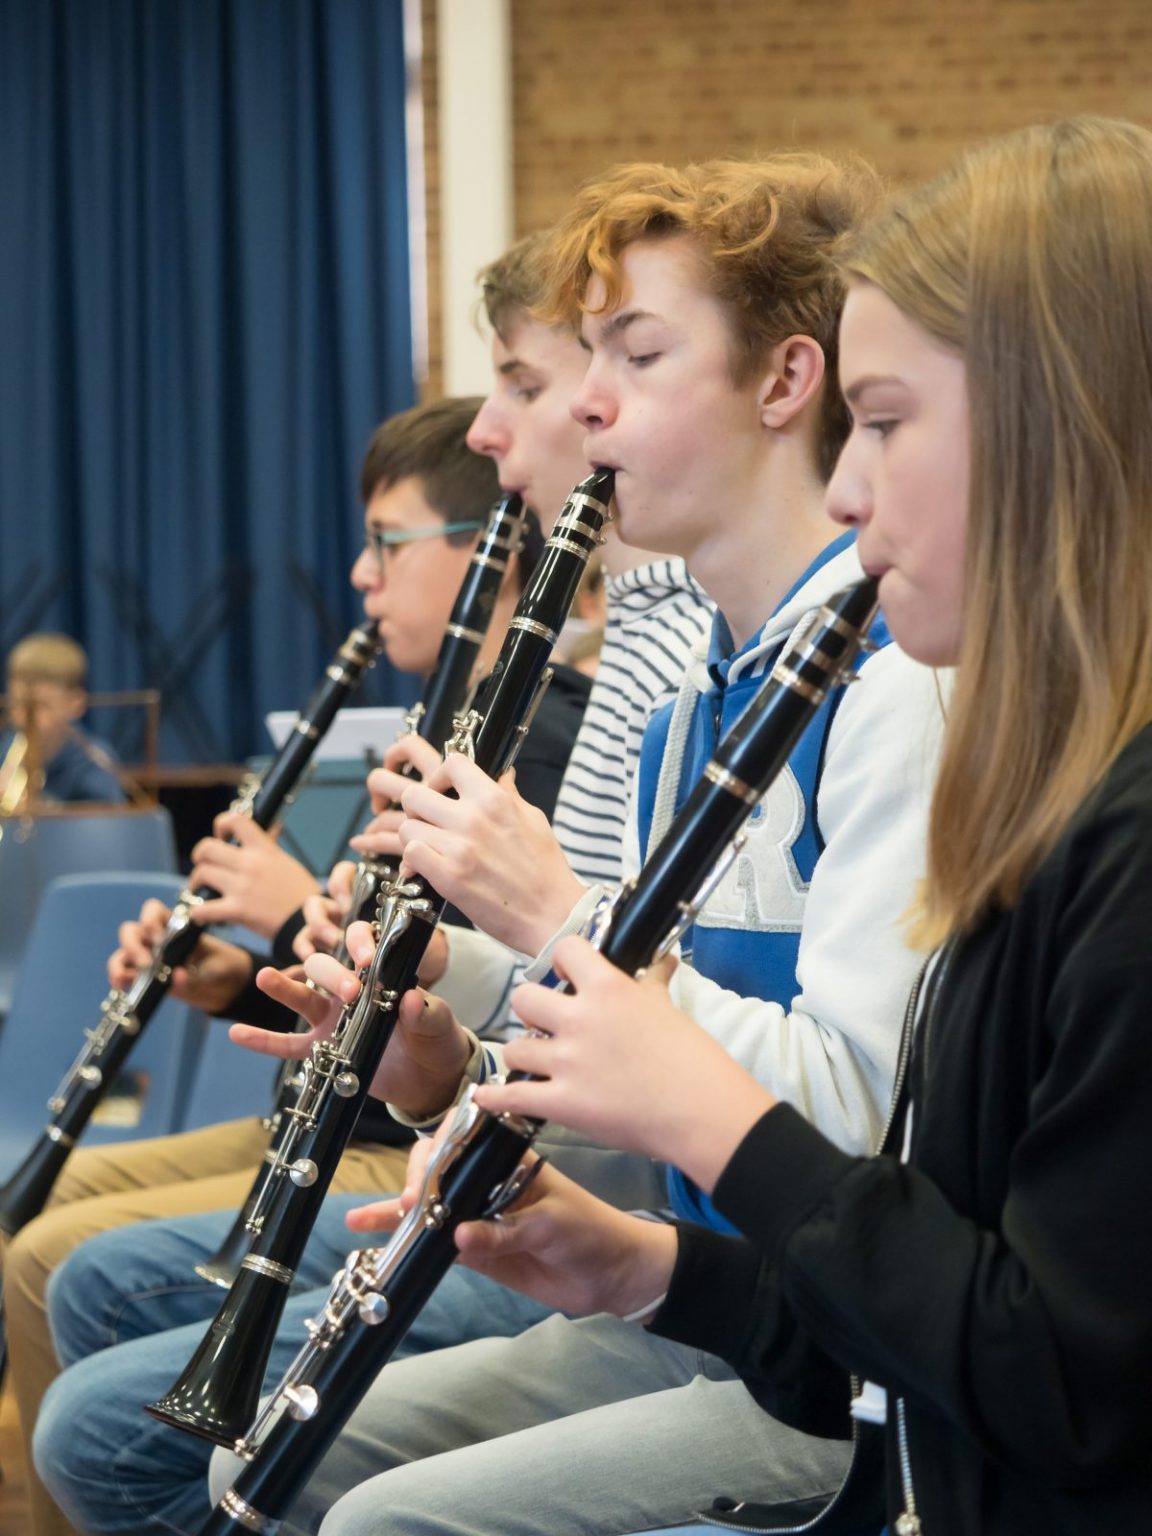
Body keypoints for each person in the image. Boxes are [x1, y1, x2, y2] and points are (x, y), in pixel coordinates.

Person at [358, 117, 1152, 1536]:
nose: (850, 488)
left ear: (1058, 424)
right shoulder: (715, 710)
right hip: (798, 1331)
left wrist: (563, 930)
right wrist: (632, 1253)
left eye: (887, 421)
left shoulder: (952, 727)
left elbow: (1015, 1340)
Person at [200, 151, 948, 1536]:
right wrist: (451, 1035)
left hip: (818, 1363)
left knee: (370, 1522)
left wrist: (552, 914)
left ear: (787, 383)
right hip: (687, 1301)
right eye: (585, 359)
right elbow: (638, 1099)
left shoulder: (892, 690)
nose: (587, 402)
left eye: (637, 356)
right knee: (246, 1471)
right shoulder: (686, 711)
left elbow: (847, 1127)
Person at [31, 232, 712, 1536]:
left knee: (106, 1374)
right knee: (84, 1303)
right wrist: (286, 970)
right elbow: (505, 1003)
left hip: (575, 1200)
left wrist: (331, 926)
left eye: (524, 384)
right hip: (472, 1144)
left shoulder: (595, 698)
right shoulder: (624, 660)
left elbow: (627, 1012)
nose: (501, 432)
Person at [7, 394, 589, 1536]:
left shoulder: (547, 736)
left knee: (58, 1272)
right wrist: (243, 973)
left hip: (409, 1143)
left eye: (386, 544)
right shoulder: (445, 731)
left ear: (489, 554)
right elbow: (376, 960)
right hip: (351, 1111)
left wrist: (288, 917)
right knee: (49, 1245)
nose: (361, 578)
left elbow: (491, 986)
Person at [1, 633, 126, 805]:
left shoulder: (95, 762)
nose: (25, 719)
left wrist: (33, 806)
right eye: (18, 704)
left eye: (41, 706)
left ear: (76, 704)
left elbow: (108, 819)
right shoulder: (8, 747)